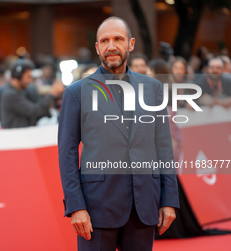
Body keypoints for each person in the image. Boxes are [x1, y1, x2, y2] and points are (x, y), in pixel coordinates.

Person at [58, 17, 179, 251]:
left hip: (144, 205)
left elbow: (164, 147)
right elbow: (67, 153)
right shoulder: (76, 93)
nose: (111, 46)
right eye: (104, 40)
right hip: (96, 207)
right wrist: (76, 207)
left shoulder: (153, 89)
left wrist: (169, 200)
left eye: (118, 39)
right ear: (97, 47)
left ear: (131, 44)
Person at [0, 58, 64, 128]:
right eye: (28, 77)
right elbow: (34, 111)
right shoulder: (10, 94)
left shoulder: (18, 92)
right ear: (18, 76)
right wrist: (52, 93)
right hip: (15, 136)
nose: (30, 80)